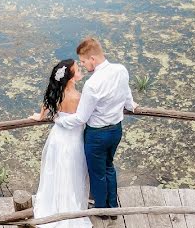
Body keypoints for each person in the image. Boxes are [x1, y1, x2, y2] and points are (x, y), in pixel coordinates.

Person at [51, 37, 137, 217]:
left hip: (97, 135)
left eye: (83, 61)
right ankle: (113, 207)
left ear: (92, 59)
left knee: (97, 173)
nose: (83, 65)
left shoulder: (92, 84)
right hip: (116, 130)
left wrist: (59, 120)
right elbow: (126, 93)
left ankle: (102, 210)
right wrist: (131, 106)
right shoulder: (121, 70)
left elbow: (81, 118)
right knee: (109, 167)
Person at [28, 59, 101, 228]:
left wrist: (39, 116)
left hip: (57, 140)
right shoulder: (78, 96)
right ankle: (69, 210)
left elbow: (44, 110)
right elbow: (85, 118)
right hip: (73, 143)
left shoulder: (56, 93)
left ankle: (54, 206)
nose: (81, 72)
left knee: (56, 173)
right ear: (70, 77)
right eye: (77, 70)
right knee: (72, 175)